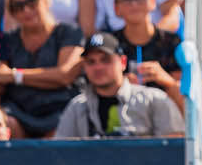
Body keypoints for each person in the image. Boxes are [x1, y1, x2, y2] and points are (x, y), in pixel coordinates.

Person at [0, 0, 82, 137]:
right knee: (3, 123)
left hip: (60, 109)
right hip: (18, 113)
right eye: (17, 7)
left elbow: (64, 75)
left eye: (32, 2)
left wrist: (15, 76)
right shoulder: (7, 40)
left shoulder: (68, 33)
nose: (26, 10)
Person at [53, 32, 183, 138]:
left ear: (123, 62)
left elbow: (172, 148)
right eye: (91, 62)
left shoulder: (153, 99)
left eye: (106, 60)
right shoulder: (77, 107)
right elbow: (60, 153)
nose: (98, 67)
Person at [109, 0, 184, 109]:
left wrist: (164, 79)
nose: (134, 4)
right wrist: (119, 84)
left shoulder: (171, 42)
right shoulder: (110, 43)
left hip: (164, 115)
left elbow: (184, 95)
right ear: (116, 8)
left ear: (152, 2)